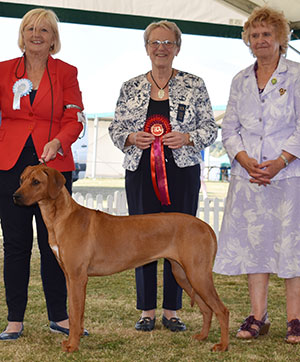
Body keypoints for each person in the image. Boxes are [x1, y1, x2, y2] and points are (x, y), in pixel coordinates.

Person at [109, 20, 217, 332]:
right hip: (141, 172)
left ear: (177, 49)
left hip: (182, 172)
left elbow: (210, 128)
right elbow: (116, 127)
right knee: (140, 241)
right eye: (155, 43)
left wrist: (188, 138)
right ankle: (146, 311)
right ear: (146, 48)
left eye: (168, 43)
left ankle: (172, 311)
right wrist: (131, 137)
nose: (161, 48)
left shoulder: (194, 84)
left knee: (180, 244)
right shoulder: (130, 87)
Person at [213, 6, 300, 344]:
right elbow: (229, 128)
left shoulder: (296, 75)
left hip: (289, 176)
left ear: (281, 38)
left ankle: (295, 319)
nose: (261, 40)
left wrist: (281, 160)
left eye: (267, 34)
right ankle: (257, 316)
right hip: (247, 177)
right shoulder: (240, 80)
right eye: (255, 35)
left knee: (292, 247)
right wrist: (244, 158)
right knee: (255, 246)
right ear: (248, 40)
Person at [0, 8, 86, 340]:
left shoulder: (66, 72)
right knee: (17, 245)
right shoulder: (4, 71)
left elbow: (75, 117)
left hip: (53, 169)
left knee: (58, 246)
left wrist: (59, 141)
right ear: (22, 35)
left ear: (54, 39)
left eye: (45, 30)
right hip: (11, 167)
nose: (37, 34)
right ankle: (15, 320)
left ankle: (60, 317)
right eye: (31, 29)